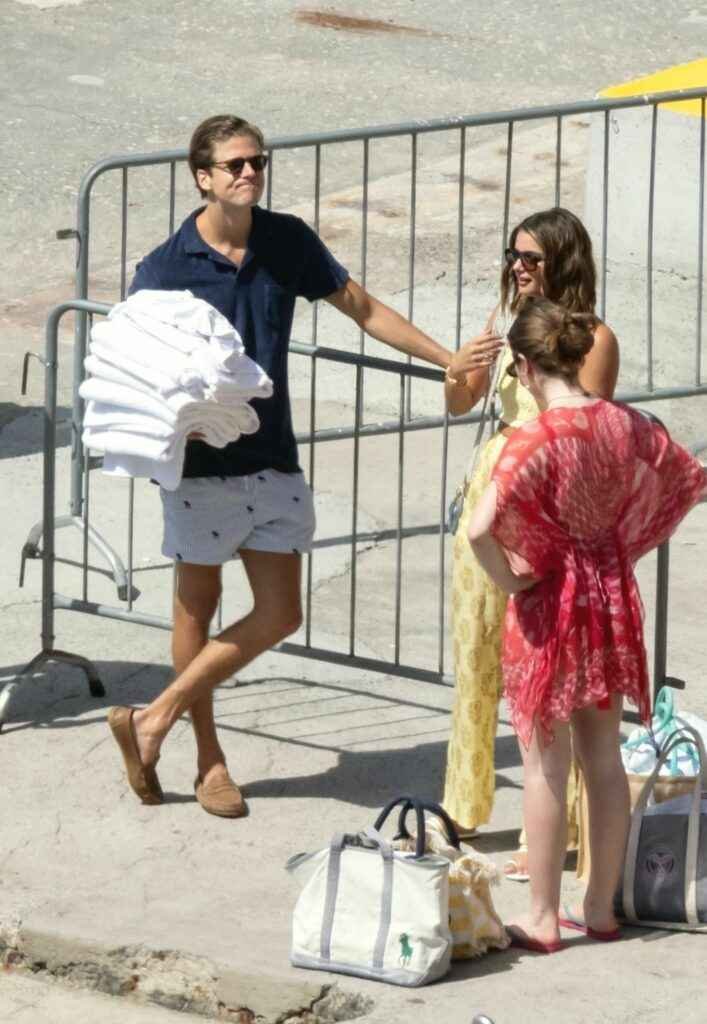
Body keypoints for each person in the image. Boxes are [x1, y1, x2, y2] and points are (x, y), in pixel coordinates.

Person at [107, 113, 488, 817]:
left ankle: (153, 717)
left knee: (281, 612)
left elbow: (363, 308)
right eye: (234, 165)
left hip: (274, 456)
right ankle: (209, 759)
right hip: (199, 469)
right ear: (202, 177)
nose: (249, 173)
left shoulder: (286, 241)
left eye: (257, 162)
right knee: (198, 605)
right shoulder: (164, 268)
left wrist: (448, 361)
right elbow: (131, 364)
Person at [467, 297, 705, 952]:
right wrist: (623, 538)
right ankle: (597, 907)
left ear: (521, 365)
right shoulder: (623, 425)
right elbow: (688, 478)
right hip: (608, 598)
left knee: (544, 763)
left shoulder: (533, 439)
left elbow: (481, 527)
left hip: (548, 606)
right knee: (600, 757)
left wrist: (508, 577)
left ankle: (541, 915)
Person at [442, 207, 620, 878]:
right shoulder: (504, 321)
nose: (517, 266)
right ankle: (462, 803)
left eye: (531, 258)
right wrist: (462, 367)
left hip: (543, 503)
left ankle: (553, 830)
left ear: (563, 263)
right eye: (512, 254)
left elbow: (587, 432)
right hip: (489, 492)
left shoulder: (591, 339)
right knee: (476, 660)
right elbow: (459, 404)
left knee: (545, 674)